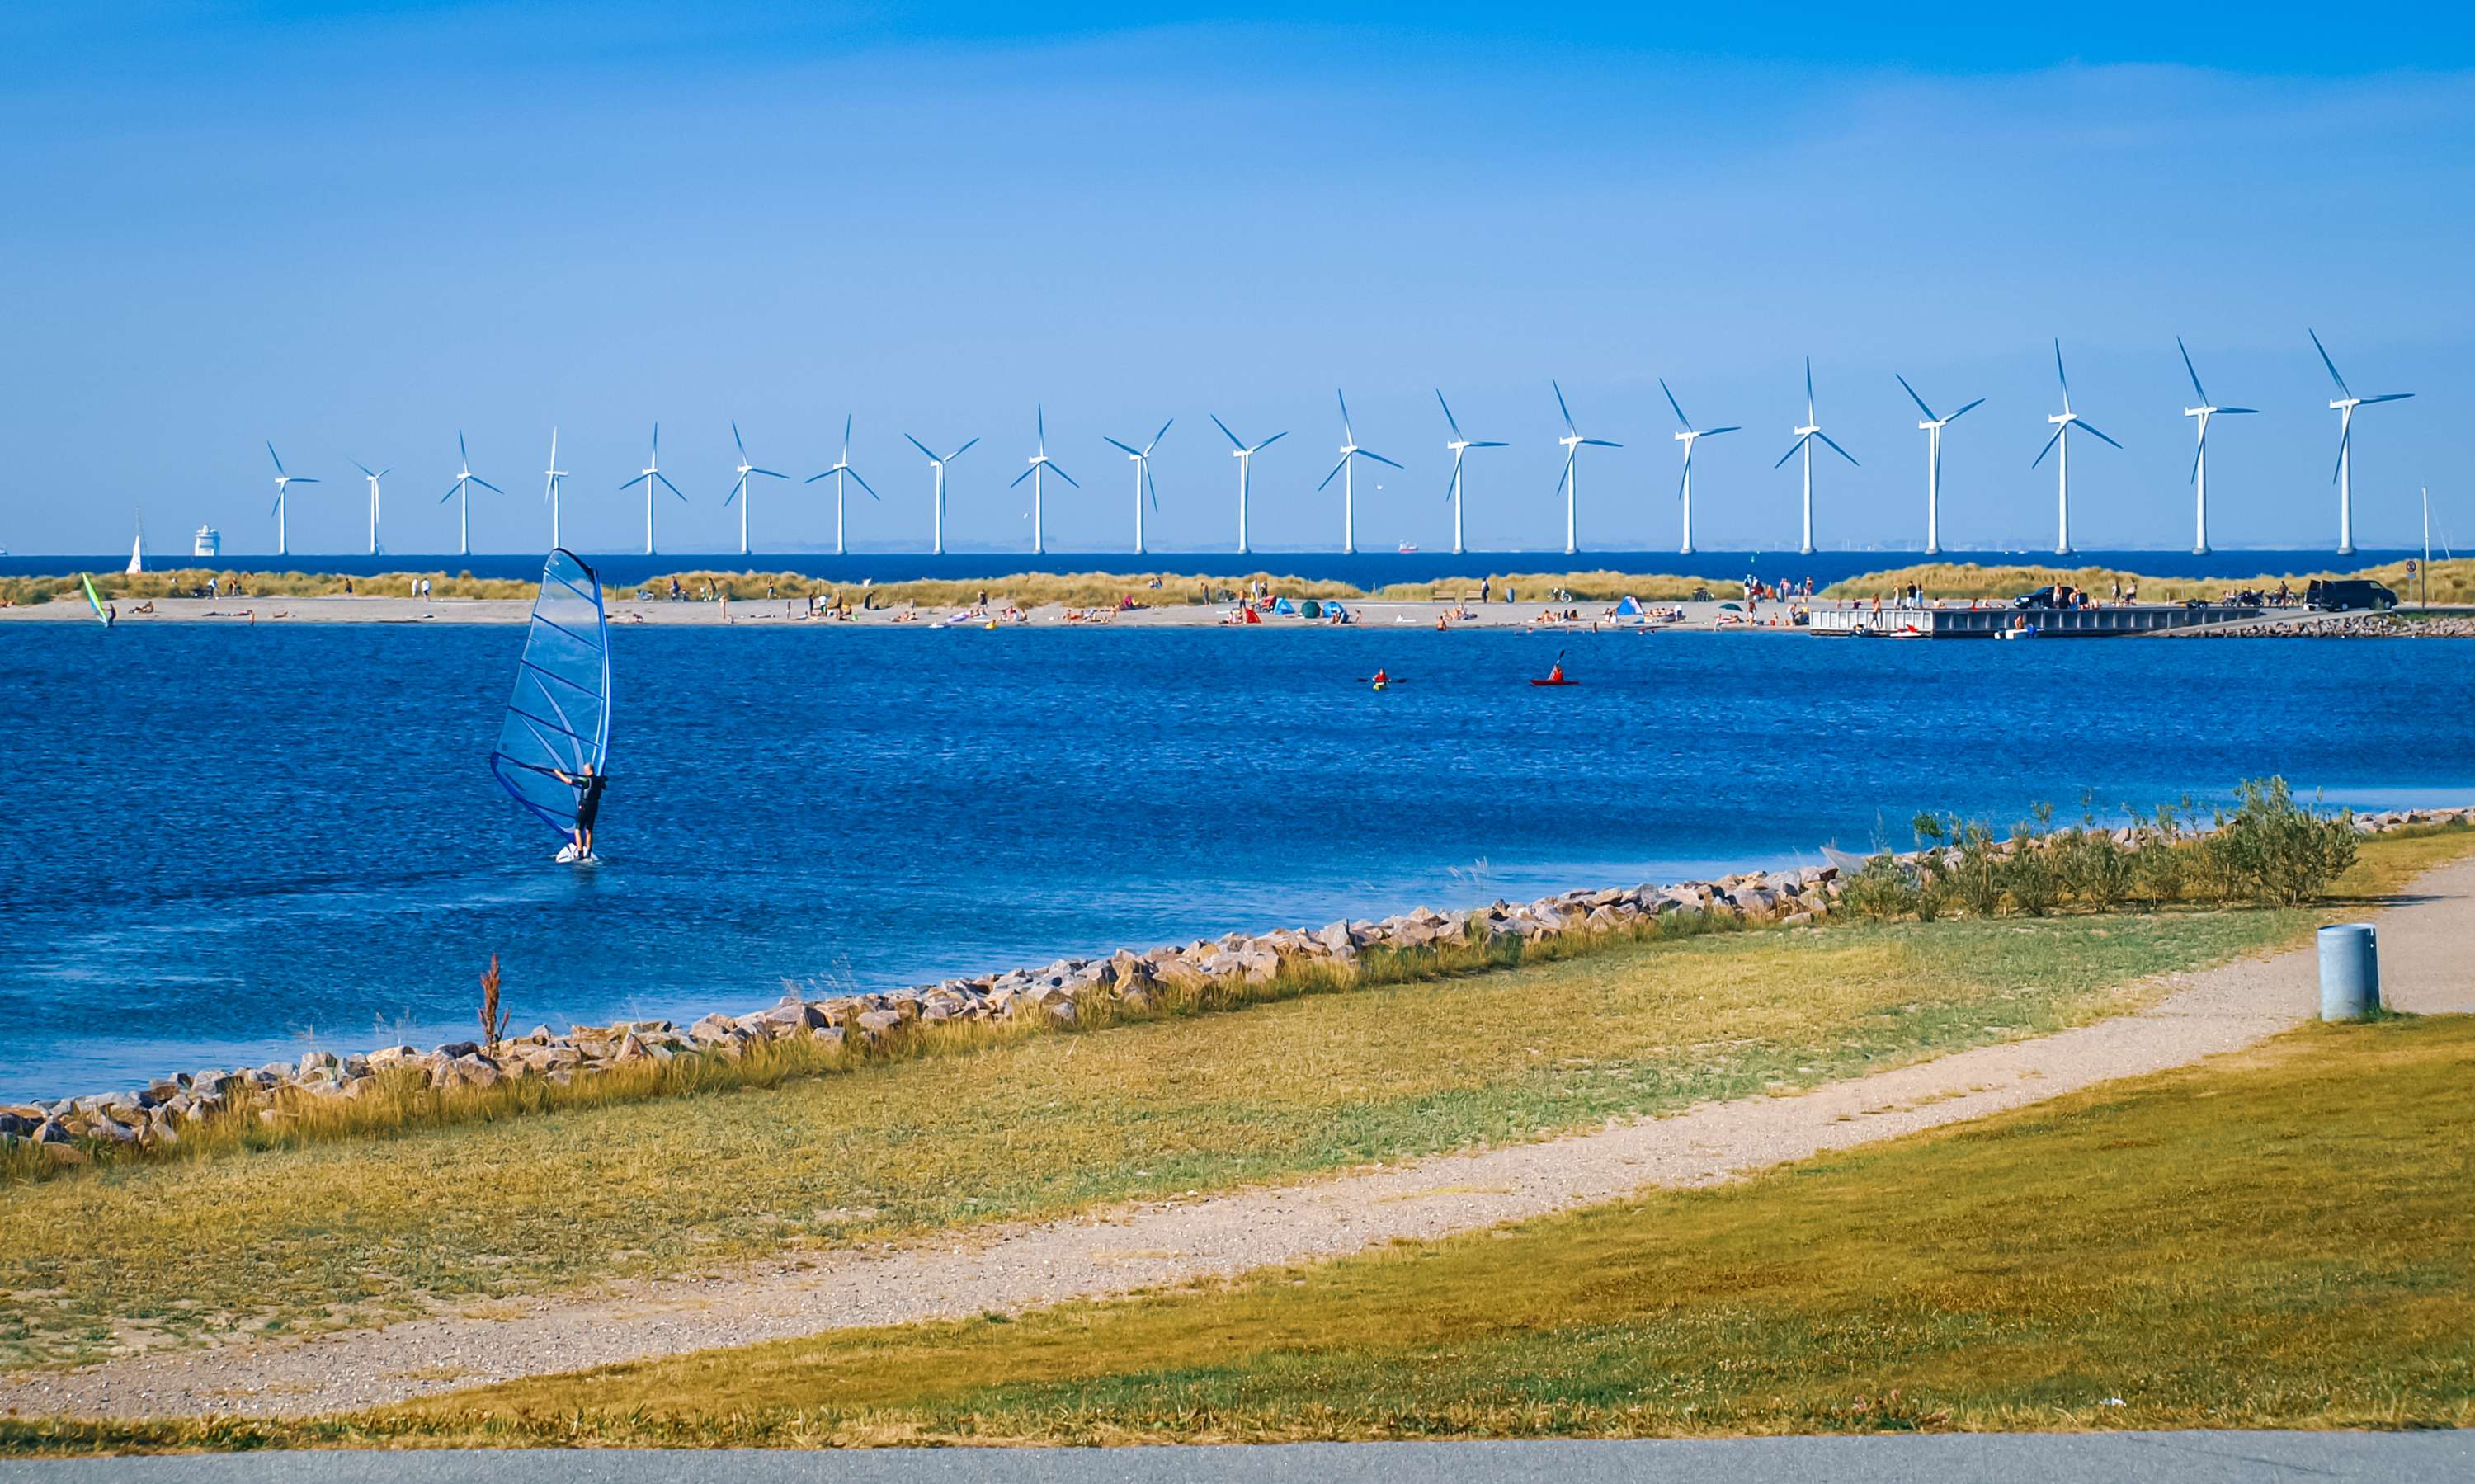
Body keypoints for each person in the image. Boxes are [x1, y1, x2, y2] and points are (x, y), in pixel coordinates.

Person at [550, 761, 606, 860]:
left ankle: (580, 854)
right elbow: (604, 786)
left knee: (578, 830)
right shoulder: (599, 780)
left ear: (587, 770)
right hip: (594, 806)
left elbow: (568, 781)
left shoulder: (585, 780)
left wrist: (558, 773)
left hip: (585, 806)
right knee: (589, 830)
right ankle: (589, 852)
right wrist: (603, 778)